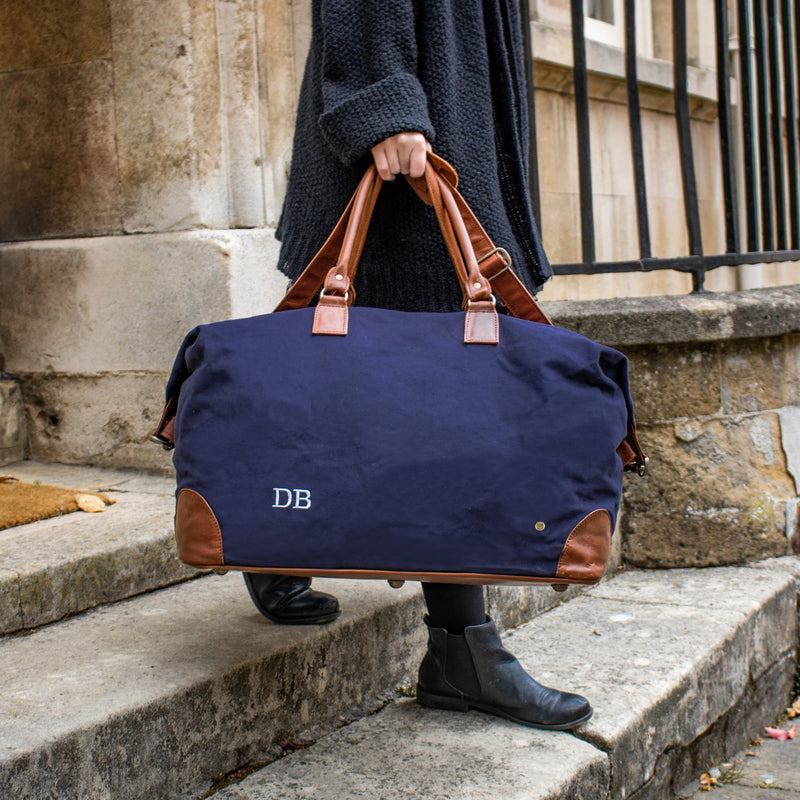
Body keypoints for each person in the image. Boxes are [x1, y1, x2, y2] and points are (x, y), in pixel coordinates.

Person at [243, 0, 592, 730]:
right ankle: (462, 650)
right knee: (441, 398)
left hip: (452, 92)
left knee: (351, 364)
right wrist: (383, 98)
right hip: (414, 109)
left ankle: (272, 534)